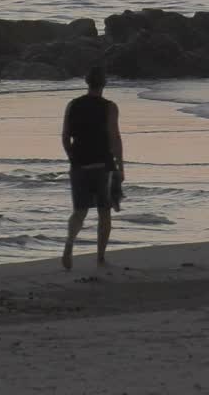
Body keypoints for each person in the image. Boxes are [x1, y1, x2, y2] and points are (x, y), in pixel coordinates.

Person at [60, 66, 124, 270]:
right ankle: (100, 258)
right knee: (104, 212)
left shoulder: (72, 105)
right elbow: (114, 138)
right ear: (104, 83)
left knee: (79, 211)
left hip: (79, 165)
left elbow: (65, 137)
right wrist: (120, 166)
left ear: (87, 82)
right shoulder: (110, 107)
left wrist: (73, 158)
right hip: (102, 165)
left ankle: (69, 244)